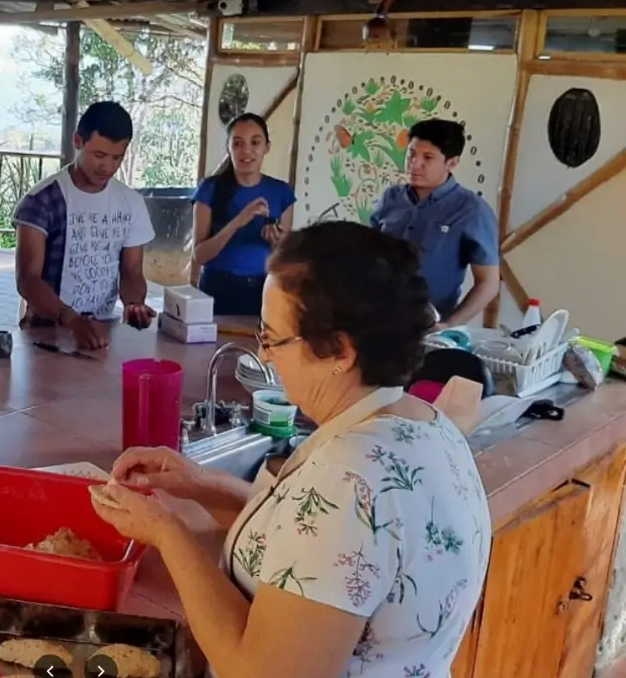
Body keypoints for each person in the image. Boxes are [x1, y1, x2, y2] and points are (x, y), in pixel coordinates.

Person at [92, 221, 491, 678]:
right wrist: (200, 485)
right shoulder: (423, 423)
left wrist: (167, 532)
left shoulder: (350, 478)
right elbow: (311, 546)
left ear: (339, 351)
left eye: (272, 338)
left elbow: (260, 671)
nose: (264, 356)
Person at [14, 101, 156, 350]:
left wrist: (134, 303)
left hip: (103, 330)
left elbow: (132, 270)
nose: (108, 167)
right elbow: (28, 279)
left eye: (117, 158)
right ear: (78, 141)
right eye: (99, 155)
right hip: (47, 331)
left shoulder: (131, 203)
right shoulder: (41, 201)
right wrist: (70, 319)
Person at [370, 119, 499, 328]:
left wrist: (449, 325)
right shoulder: (391, 198)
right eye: (411, 154)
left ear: (452, 163)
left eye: (427, 157)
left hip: (427, 327)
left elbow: (488, 283)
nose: (414, 164)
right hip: (375, 319)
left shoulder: (471, 211)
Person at [192, 113, 295, 316]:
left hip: (265, 289)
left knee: (260, 347)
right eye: (237, 143)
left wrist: (276, 243)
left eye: (255, 142)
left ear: (267, 147)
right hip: (218, 288)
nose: (246, 151)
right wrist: (238, 221)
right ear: (228, 148)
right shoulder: (210, 189)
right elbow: (200, 256)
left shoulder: (282, 192)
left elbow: (284, 259)